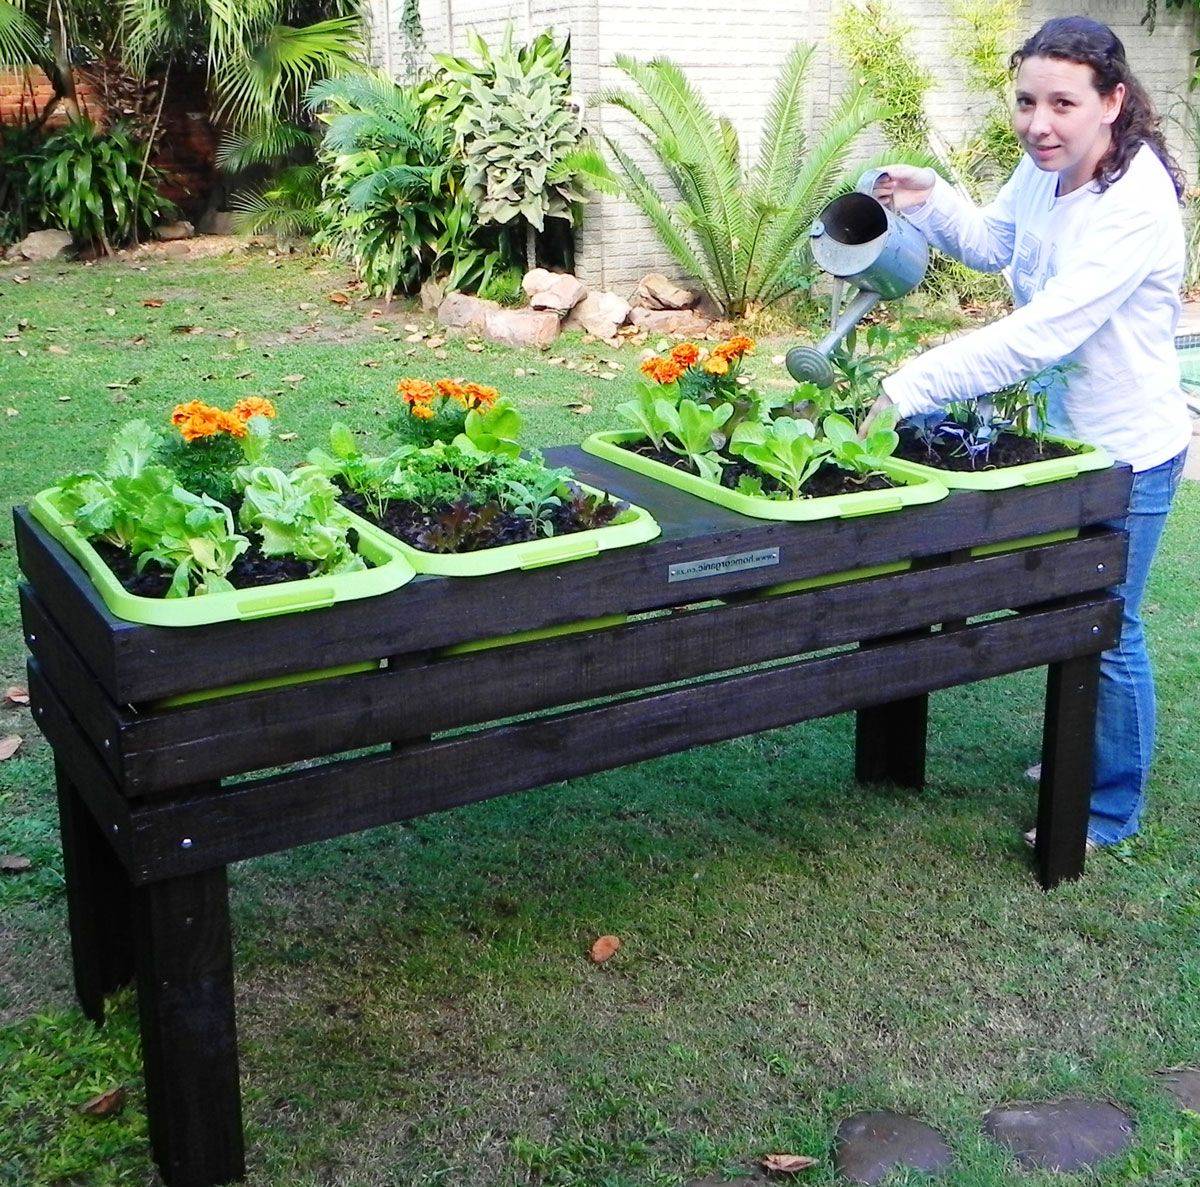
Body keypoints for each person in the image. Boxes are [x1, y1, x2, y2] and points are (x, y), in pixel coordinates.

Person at [861, 15, 1192, 849]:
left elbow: (1044, 333)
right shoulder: (1045, 168)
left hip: (1128, 450)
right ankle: (1081, 751)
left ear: (1113, 102)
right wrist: (931, 197)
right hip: (1057, 442)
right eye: (1026, 102)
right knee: (1063, 605)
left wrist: (910, 384)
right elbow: (994, 245)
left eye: (1063, 104)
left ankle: (1106, 804)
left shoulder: (1135, 202)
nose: (1039, 123)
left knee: (1106, 622)